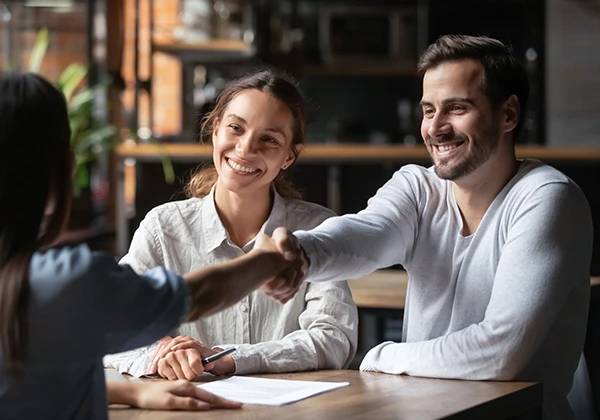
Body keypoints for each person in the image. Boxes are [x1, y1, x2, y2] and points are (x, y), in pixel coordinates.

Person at [265, 35, 594, 420]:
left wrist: (382, 356)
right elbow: (365, 235)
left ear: (508, 115)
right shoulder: (418, 187)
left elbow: (499, 353)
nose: (436, 128)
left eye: (457, 108)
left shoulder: (547, 197)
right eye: (428, 110)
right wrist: (299, 253)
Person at [0, 71, 300, 420]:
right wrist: (266, 260)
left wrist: (134, 391)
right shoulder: (68, 282)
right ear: (65, 168)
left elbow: (32, 381)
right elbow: (198, 295)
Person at [104, 69, 358, 379]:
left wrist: (227, 358)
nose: (246, 149)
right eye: (236, 128)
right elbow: (112, 328)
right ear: (215, 130)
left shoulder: (317, 229)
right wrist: (161, 354)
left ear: (289, 156)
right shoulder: (163, 228)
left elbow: (333, 339)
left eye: (269, 140)